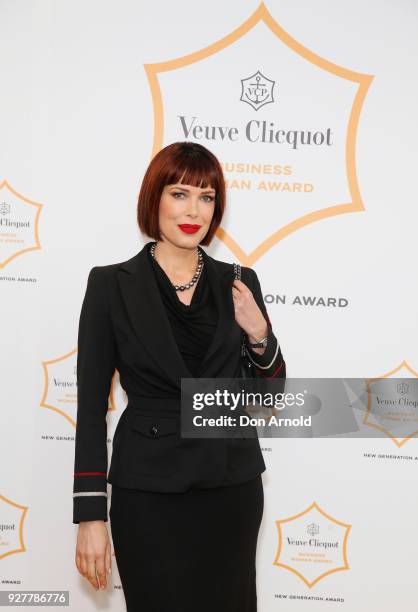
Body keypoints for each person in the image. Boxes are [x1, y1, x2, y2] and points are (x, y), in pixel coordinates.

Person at [73, 141, 286, 611]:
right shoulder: (111, 285)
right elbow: (90, 408)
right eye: (180, 193)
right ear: (155, 199)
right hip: (148, 493)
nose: (194, 210)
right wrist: (90, 516)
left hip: (230, 487)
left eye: (207, 197)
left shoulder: (239, 281)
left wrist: (259, 335)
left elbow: (271, 398)